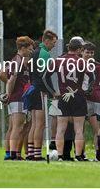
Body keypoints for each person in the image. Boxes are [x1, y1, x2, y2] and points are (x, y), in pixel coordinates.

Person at [43, 38, 92, 161]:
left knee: (61, 128)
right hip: (77, 96)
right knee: (79, 129)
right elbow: (92, 77)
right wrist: (86, 90)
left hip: (63, 96)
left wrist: (53, 92)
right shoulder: (81, 62)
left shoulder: (58, 60)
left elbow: (45, 77)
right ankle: (78, 155)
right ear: (79, 49)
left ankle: (60, 155)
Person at [28, 29, 58, 161]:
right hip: (40, 91)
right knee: (40, 124)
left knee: (34, 123)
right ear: (46, 41)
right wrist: (52, 92)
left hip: (33, 89)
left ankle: (30, 153)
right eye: (53, 42)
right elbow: (45, 76)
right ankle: (37, 155)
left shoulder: (34, 52)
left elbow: (31, 73)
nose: (54, 45)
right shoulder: (44, 54)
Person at [4, 36, 34, 160]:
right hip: (17, 97)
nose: (31, 52)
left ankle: (10, 153)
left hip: (16, 98)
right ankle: (13, 154)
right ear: (23, 48)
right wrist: (9, 95)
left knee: (13, 127)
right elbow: (11, 80)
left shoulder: (17, 60)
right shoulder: (18, 61)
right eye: (30, 49)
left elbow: (5, 75)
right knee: (18, 127)